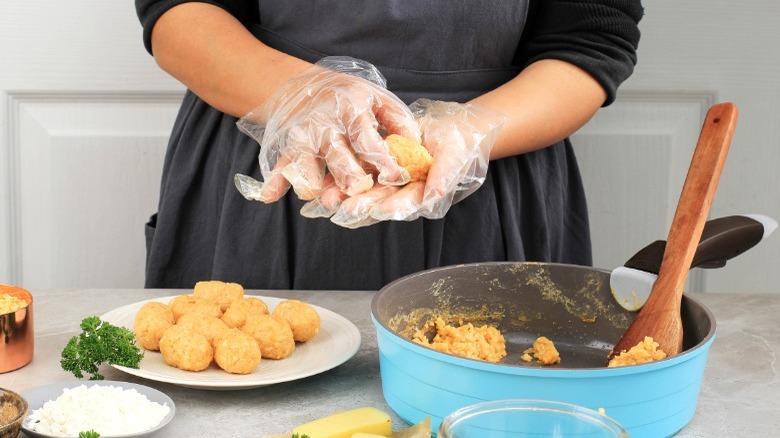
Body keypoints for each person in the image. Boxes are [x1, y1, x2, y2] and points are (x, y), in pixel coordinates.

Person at [134, 0, 644, 290]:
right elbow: (178, 8)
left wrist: (471, 129)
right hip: (275, 144)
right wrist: (305, 94)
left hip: (493, 174)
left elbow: (591, 40)